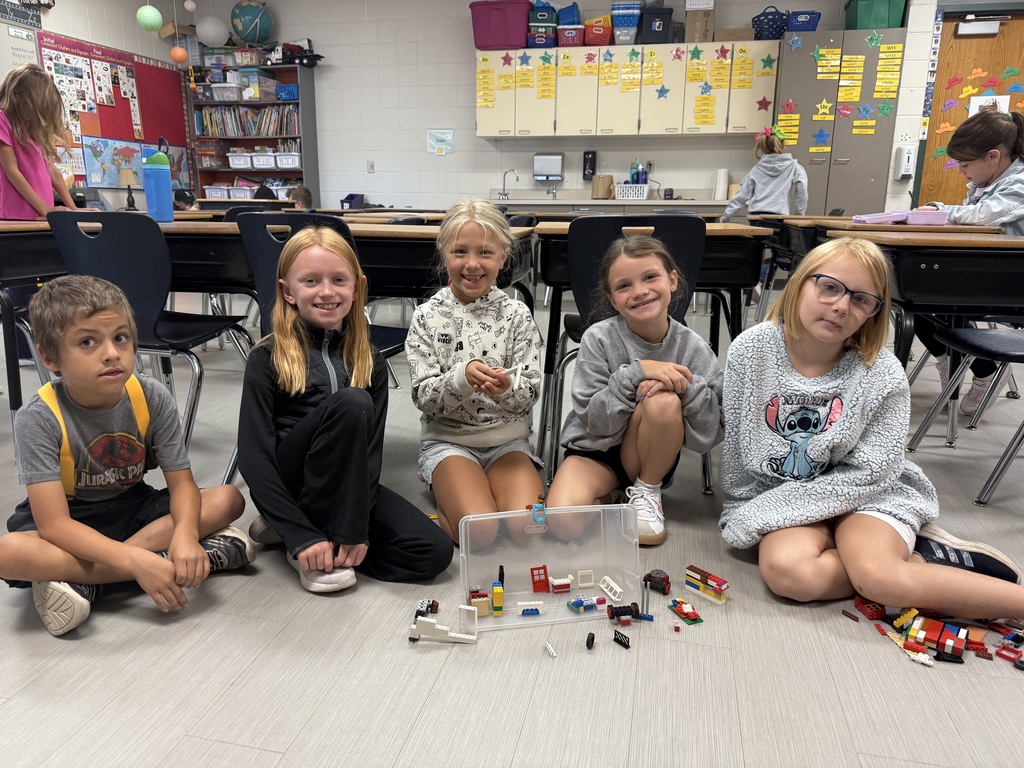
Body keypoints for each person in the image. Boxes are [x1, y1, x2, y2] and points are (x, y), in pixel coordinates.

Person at [720, 237, 1024, 619]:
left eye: (861, 299)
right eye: (829, 287)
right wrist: (742, 505)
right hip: (787, 495)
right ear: (799, 282)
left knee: (878, 579)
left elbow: (871, 474)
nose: (841, 306)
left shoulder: (881, 372)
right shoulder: (751, 349)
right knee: (790, 575)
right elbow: (738, 444)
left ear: (873, 312)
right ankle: (921, 563)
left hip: (868, 493)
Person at [0, 275, 253, 636]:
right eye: (87, 342)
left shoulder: (151, 396)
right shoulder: (37, 418)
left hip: (134, 507)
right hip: (72, 519)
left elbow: (182, 484)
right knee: (8, 553)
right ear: (50, 357)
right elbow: (54, 525)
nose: (111, 353)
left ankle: (84, 582)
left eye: (120, 337)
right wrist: (135, 559)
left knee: (227, 498)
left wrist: (183, 533)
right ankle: (161, 562)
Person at [238, 226, 452, 592]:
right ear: (288, 291)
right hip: (290, 482)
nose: (326, 291)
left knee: (433, 552)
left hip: (345, 486)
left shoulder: (370, 360)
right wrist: (300, 534)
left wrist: (354, 530)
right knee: (352, 402)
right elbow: (255, 460)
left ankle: (323, 541)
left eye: (339, 280)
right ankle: (301, 535)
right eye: (310, 281)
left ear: (357, 288)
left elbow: (369, 458)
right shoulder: (266, 358)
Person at [544, 234, 725, 546]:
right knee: (562, 523)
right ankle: (617, 497)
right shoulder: (598, 339)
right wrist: (637, 373)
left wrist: (682, 388)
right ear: (613, 299)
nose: (639, 292)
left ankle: (646, 489)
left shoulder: (693, 348)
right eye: (623, 286)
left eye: (650, 277)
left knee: (663, 401)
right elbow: (597, 423)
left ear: (672, 280)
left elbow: (710, 434)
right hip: (595, 450)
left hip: (649, 457)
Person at [405, 199, 544, 547]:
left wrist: (507, 386)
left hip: (509, 443)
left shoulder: (516, 315)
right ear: (443, 252)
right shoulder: (426, 316)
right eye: (459, 251)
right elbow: (423, 397)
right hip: (449, 443)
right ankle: (449, 498)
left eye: (484, 252)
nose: (471, 264)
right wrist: (461, 377)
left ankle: (477, 496)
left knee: (530, 529)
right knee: (480, 534)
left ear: (503, 256)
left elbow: (531, 392)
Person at [914, 106, 1024, 414]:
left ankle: (984, 369)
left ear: (993, 157)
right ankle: (951, 361)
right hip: (986, 273)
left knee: (929, 299)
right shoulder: (986, 183)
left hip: (1010, 283)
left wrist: (939, 211)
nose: (961, 171)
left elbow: (983, 218)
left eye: (965, 164)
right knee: (915, 298)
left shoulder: (1019, 183)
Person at [0, 63, 77, 220]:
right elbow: (11, 171)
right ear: (18, 97)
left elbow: (52, 171)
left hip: (43, 216)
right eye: (36, 106)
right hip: (16, 217)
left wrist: (73, 208)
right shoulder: (3, 120)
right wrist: (45, 209)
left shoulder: (31, 131)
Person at [720, 125, 808, 224]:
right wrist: (799, 215)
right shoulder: (794, 167)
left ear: (763, 147)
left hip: (756, 217)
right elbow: (802, 192)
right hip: (779, 218)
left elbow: (742, 194)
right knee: (776, 240)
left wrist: (726, 216)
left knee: (757, 240)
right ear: (783, 145)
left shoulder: (756, 170)